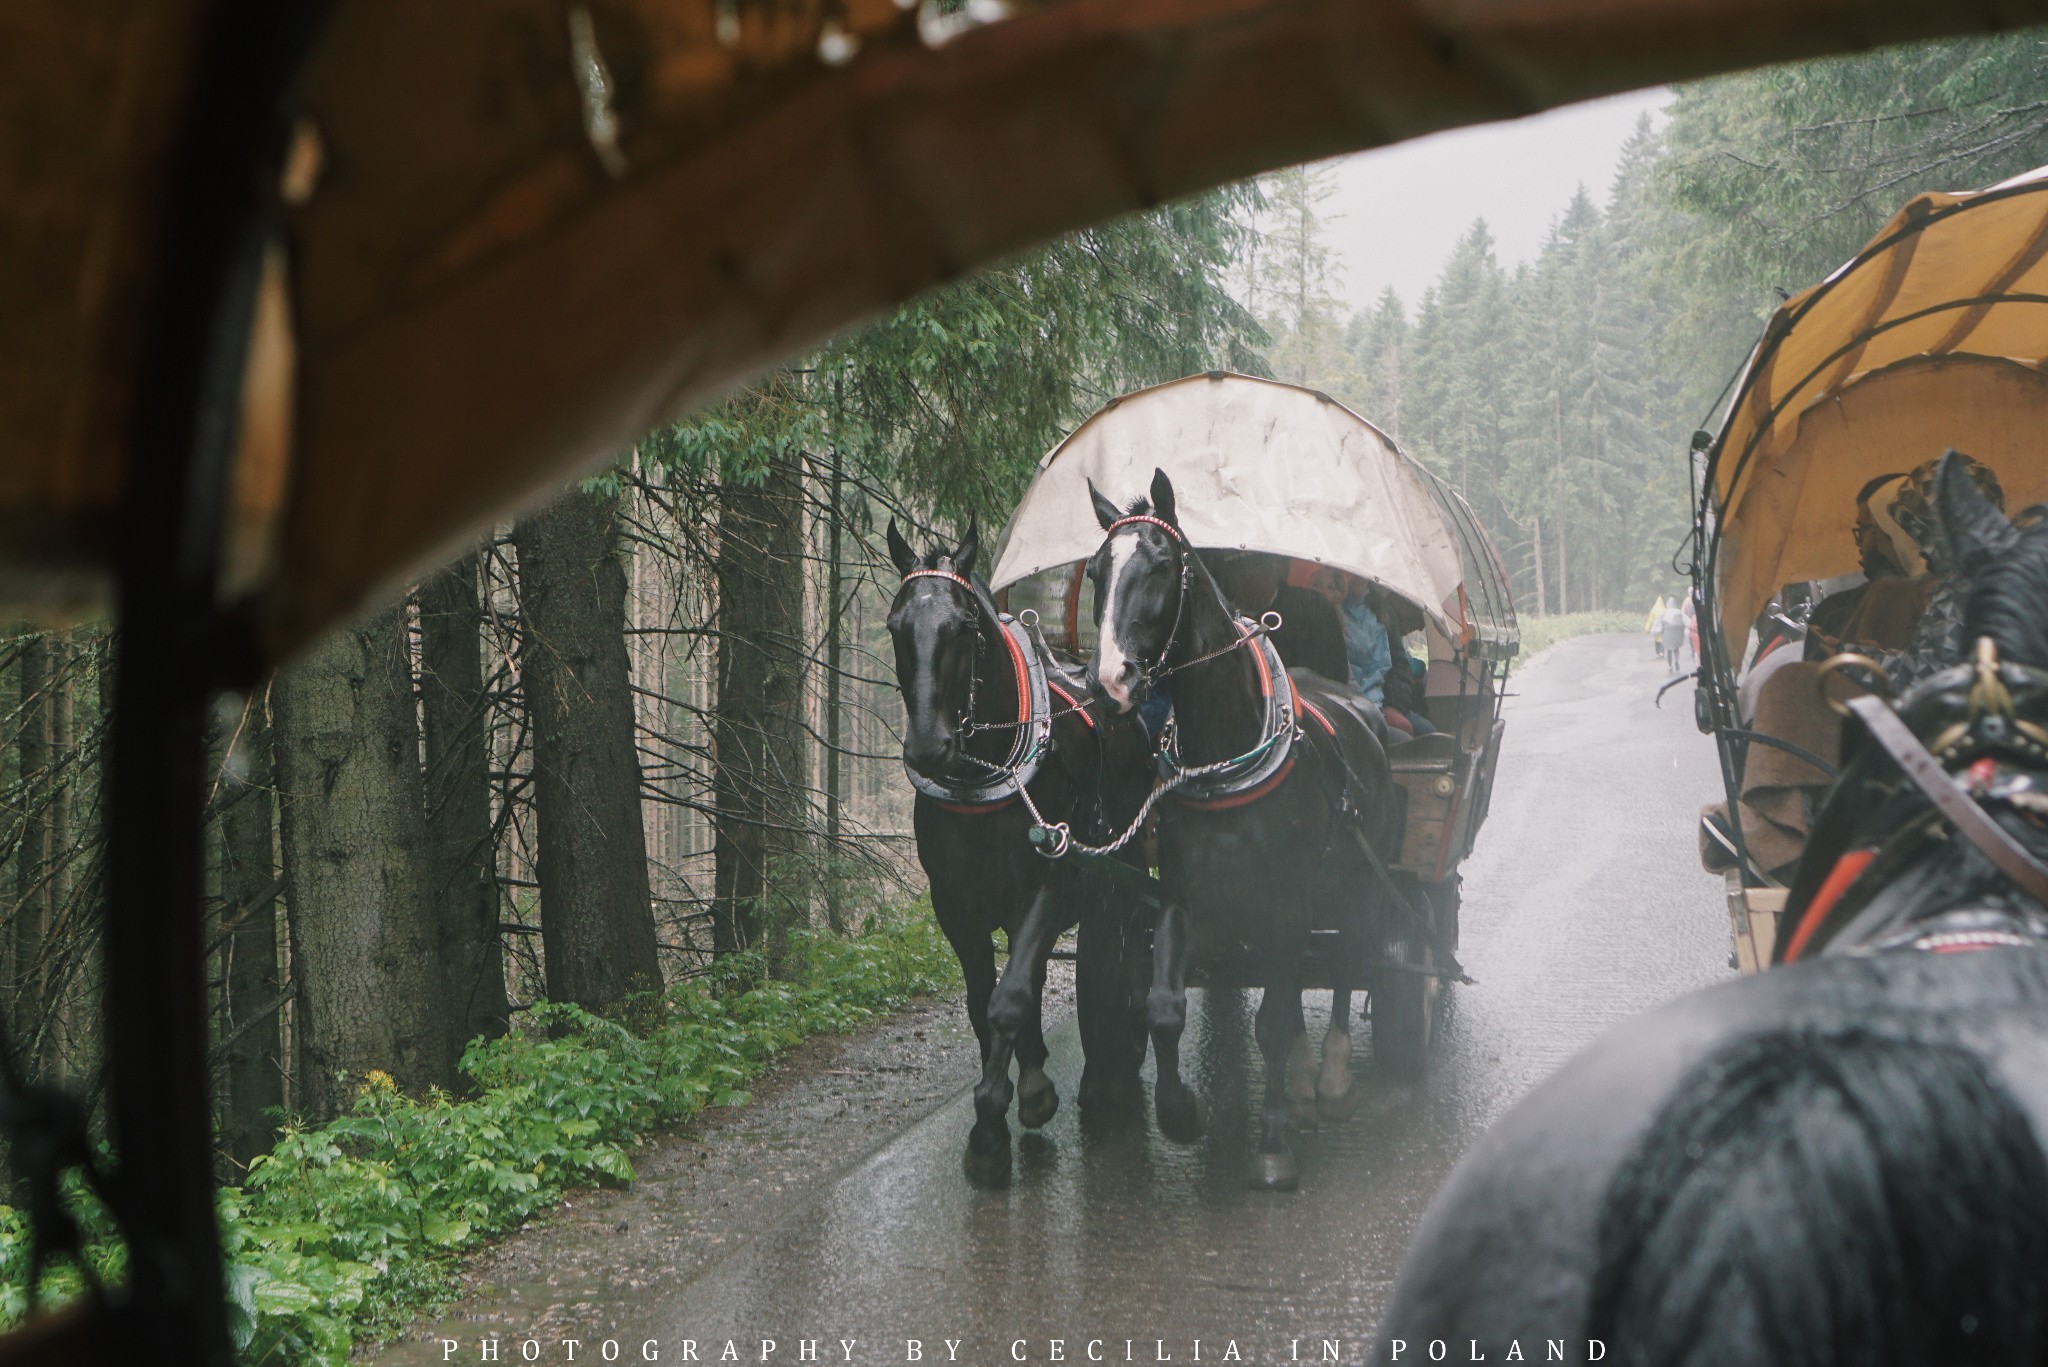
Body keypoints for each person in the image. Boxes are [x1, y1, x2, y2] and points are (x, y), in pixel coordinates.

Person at [1645, 594, 1668, 659]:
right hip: (1663, 629)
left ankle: (1658, 653)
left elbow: (1650, 620)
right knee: (1662, 640)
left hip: (1656, 629)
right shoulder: (1665, 610)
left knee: (1656, 640)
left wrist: (1647, 628)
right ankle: (1662, 653)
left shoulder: (1653, 610)